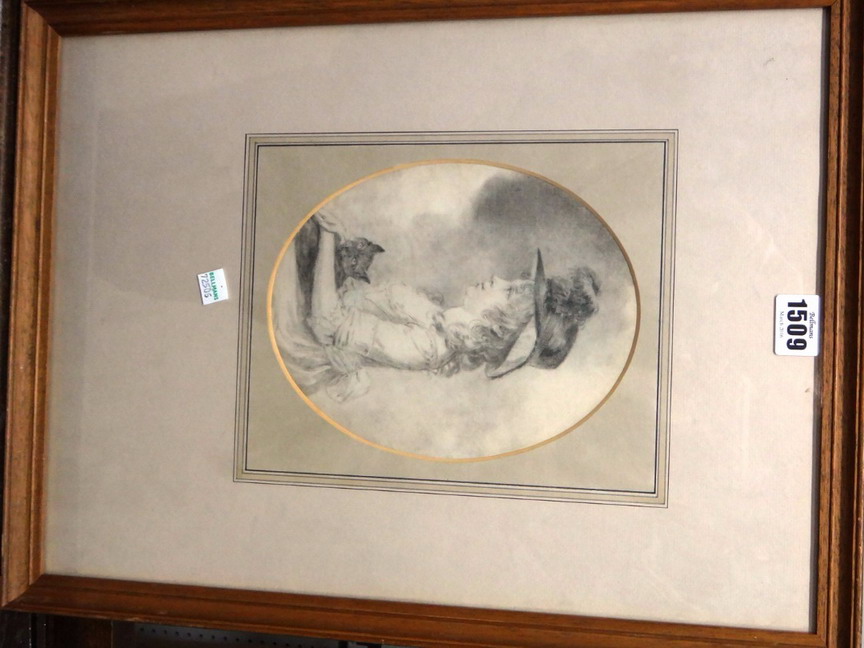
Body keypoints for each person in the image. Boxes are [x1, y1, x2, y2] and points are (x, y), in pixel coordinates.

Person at [270, 210, 600, 402]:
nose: (497, 278)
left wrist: (328, 236)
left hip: (294, 323)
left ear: (502, 325)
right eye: (511, 281)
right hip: (310, 290)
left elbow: (326, 322)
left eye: (509, 290)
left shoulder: (428, 348)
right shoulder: (439, 321)